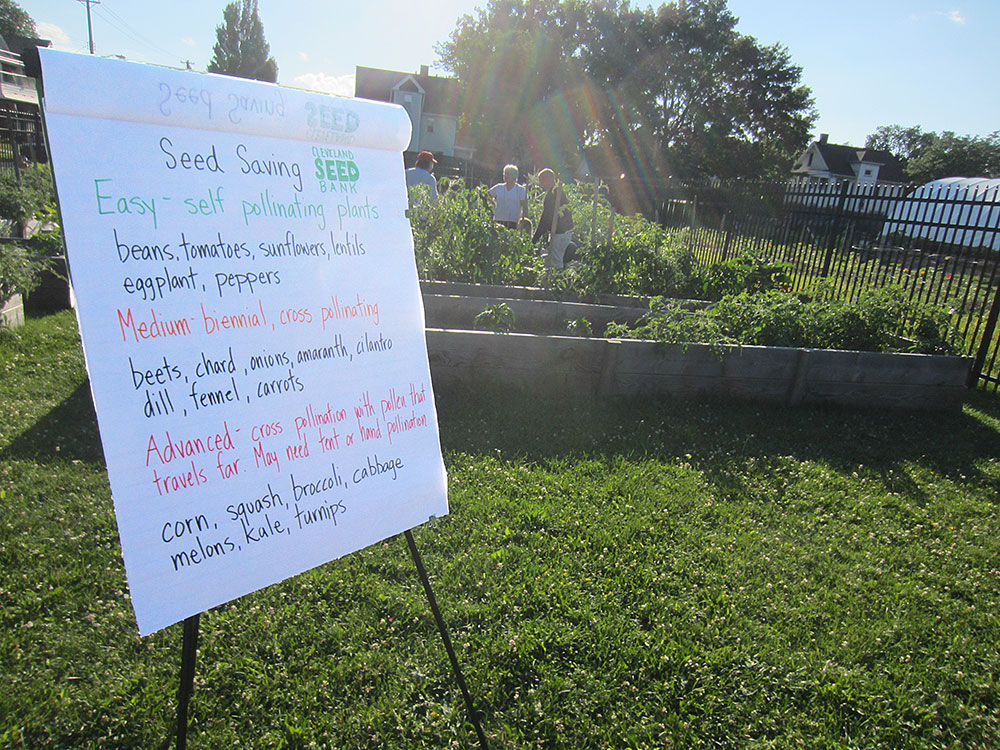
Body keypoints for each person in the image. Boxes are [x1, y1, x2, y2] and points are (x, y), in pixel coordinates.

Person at [532, 168, 574, 268]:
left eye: (541, 181)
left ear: (547, 180)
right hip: (564, 231)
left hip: (560, 232)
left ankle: (556, 281)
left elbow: (546, 217)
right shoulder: (558, 191)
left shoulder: (554, 194)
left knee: (556, 260)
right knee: (559, 259)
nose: (541, 184)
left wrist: (535, 237)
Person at [488, 164, 528, 229]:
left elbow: (524, 207)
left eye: (508, 174)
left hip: (513, 222)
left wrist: (522, 222)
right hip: (498, 220)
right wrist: (493, 204)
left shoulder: (521, 190)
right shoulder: (499, 187)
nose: (505, 176)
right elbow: (486, 195)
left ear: (514, 176)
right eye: (505, 174)